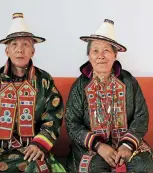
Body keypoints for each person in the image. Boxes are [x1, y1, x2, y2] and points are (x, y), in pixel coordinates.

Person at [0, 13, 65, 173]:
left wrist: (39, 144)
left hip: (28, 148)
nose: (20, 50)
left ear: (33, 51)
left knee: (36, 167)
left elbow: (53, 116)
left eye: (25, 45)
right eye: (14, 44)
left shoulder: (44, 80)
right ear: (7, 51)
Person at [65, 19, 153, 172]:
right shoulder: (80, 86)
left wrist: (126, 145)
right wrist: (99, 146)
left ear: (115, 55)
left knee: (143, 166)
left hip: (127, 143)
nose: (101, 56)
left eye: (106, 50)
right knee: (93, 168)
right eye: (95, 51)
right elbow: (72, 124)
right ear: (89, 56)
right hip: (92, 147)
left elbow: (141, 116)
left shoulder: (129, 82)